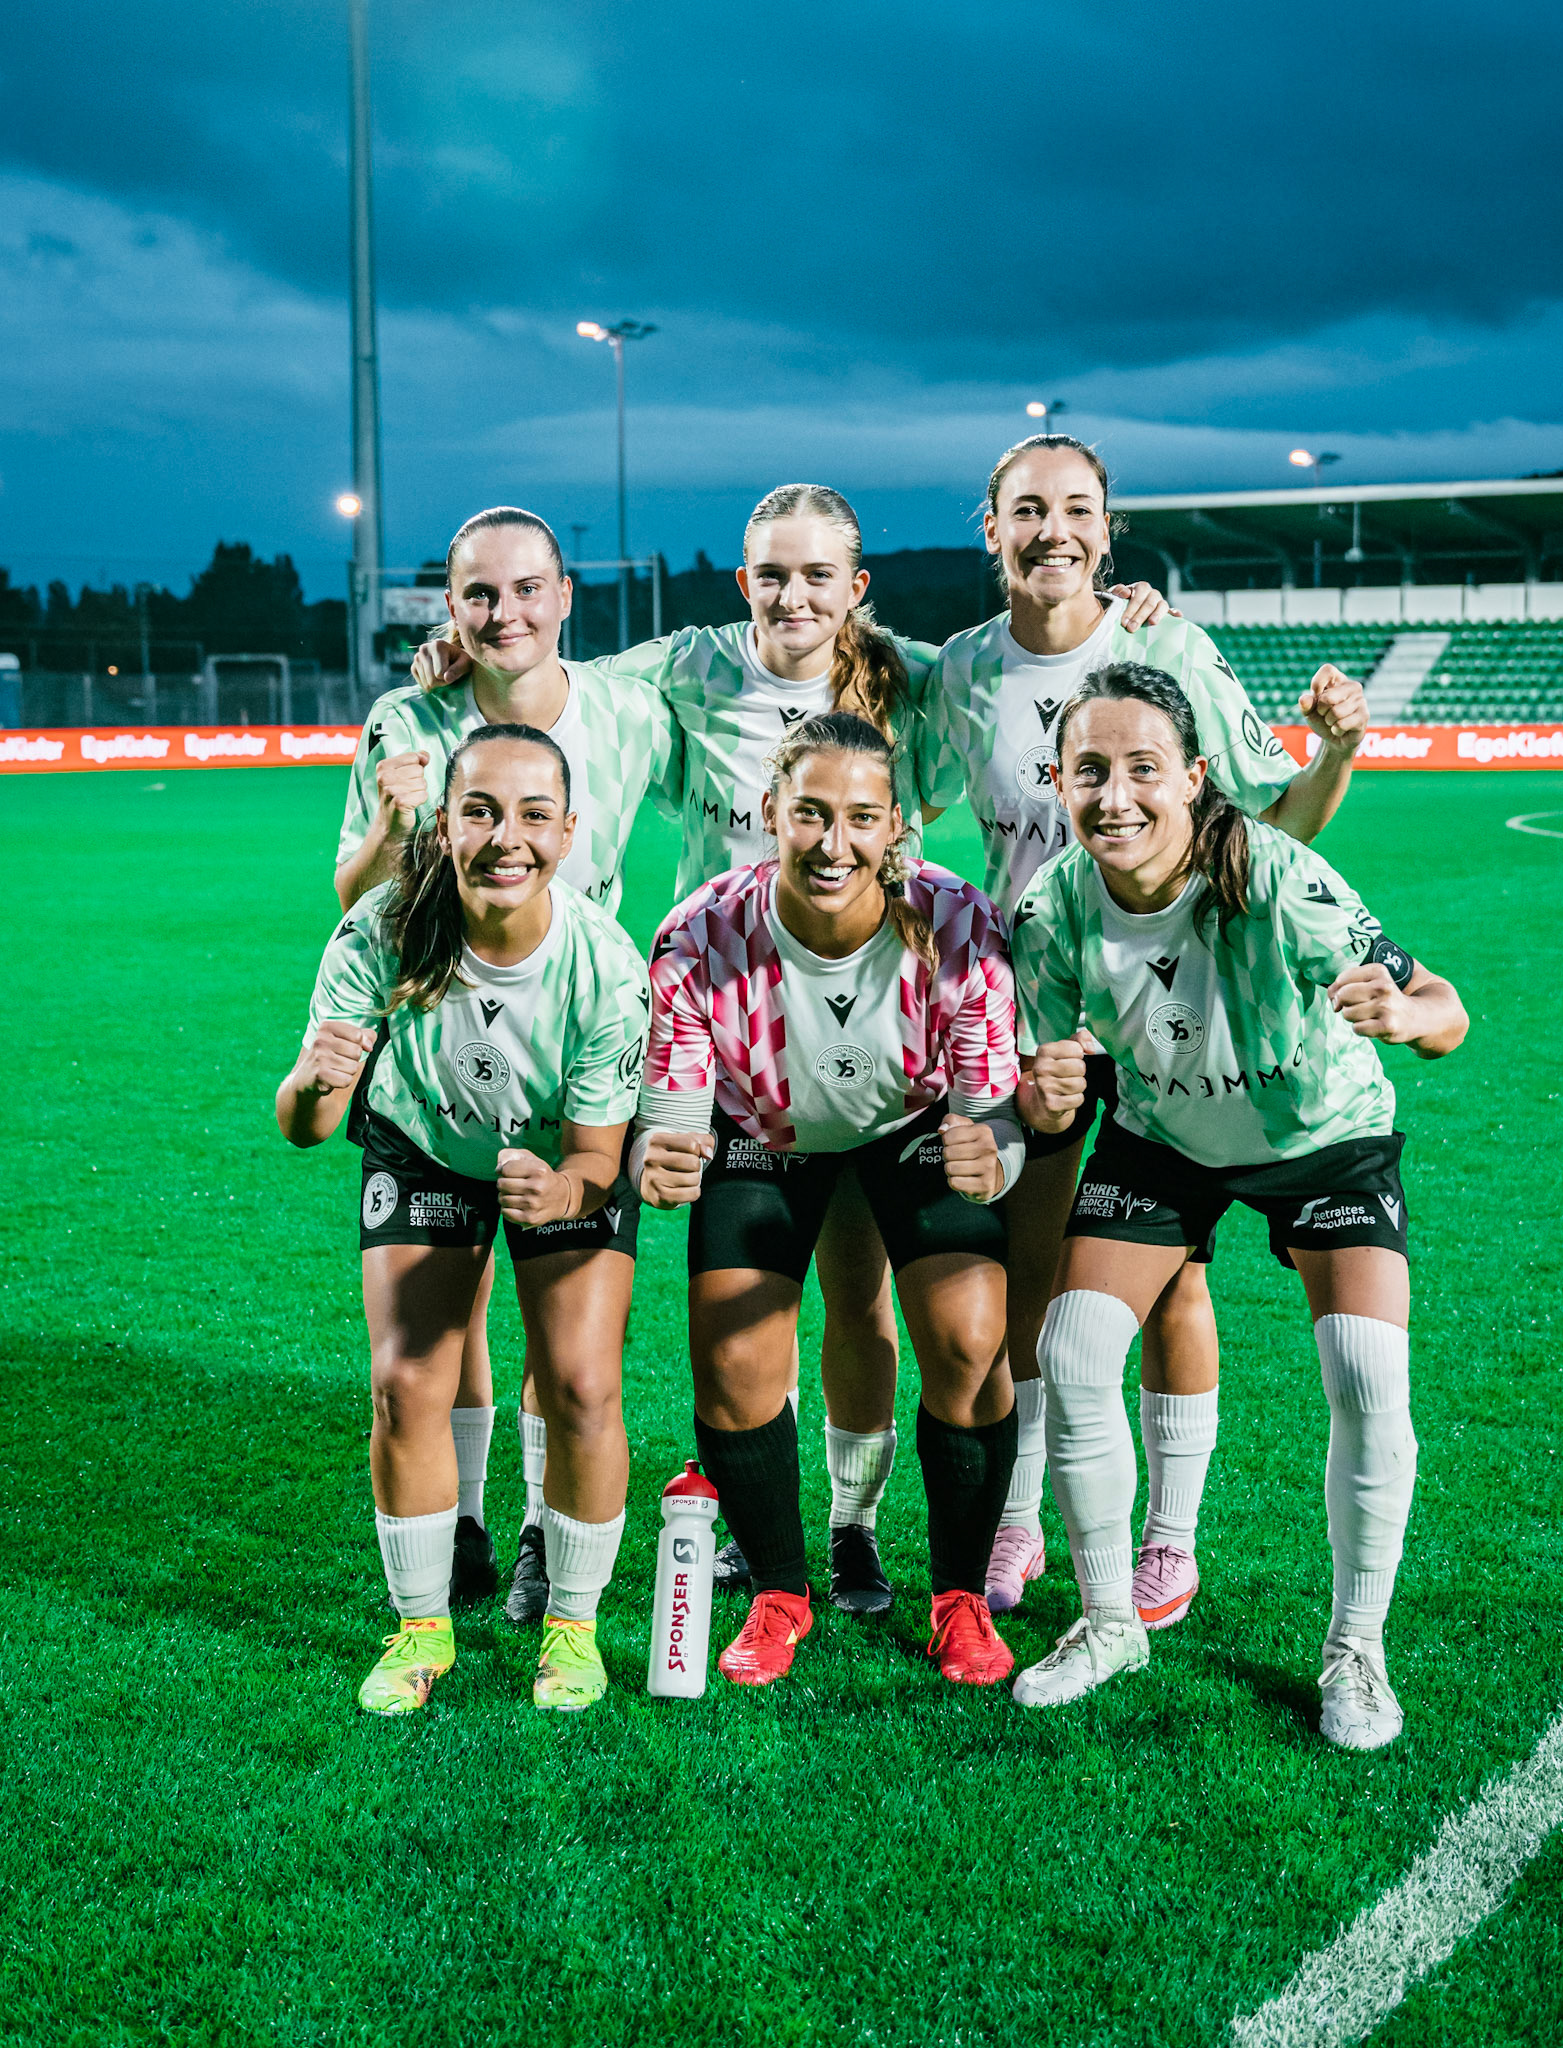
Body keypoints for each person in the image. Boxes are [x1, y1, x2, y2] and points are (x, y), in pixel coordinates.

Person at [413, 483, 1172, 1614]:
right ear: (744, 581)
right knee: (727, 1320)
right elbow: (549, 671)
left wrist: (1123, 619)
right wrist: (475, 642)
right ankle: (642, 1538)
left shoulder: (916, 676)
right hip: (729, 1037)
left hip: (879, 1025)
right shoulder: (687, 669)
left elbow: (1022, 655)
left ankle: (852, 1530)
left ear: (856, 589)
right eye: (774, 571)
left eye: (820, 573)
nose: (795, 594)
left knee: (866, 1302)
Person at [923, 434, 1370, 1624]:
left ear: (1109, 531)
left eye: (1077, 509)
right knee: (1036, 1266)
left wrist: (1336, 752)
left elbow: (1276, 820)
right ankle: (1021, 1515)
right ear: (991, 528)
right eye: (1028, 509)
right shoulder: (960, 670)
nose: (1053, 529)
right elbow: (889, 793)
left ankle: (1168, 1537)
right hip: (1041, 996)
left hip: (1169, 1005)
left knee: (1168, 1279)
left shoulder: (1165, 644)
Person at [1008, 664, 1466, 1747]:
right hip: (1166, 1134)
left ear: (1197, 777)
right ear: (1058, 783)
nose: (1114, 796)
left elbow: (1449, 1011)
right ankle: (1111, 1619)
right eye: (1089, 772)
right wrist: (1044, 1088)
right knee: (1073, 1347)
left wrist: (1403, 1012)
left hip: (1323, 1138)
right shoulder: (1049, 906)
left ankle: (1357, 1644)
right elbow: (1039, 1080)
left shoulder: (1277, 878)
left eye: (1142, 770)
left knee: (1366, 1368)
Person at [337, 507, 678, 1627]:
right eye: (480, 595)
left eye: (527, 590)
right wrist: (398, 823)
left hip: (576, 1029)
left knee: (566, 1337)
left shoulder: (631, 706)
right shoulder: (409, 717)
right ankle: (467, 1520)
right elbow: (360, 895)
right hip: (446, 1033)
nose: (505, 613)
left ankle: (544, 1531)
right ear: (449, 605)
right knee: (453, 1313)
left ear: (566, 596)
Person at [633, 712, 1024, 1688]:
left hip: (910, 1126)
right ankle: (779, 1590)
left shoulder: (959, 923)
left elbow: (994, 1116)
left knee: (973, 1340)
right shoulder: (698, 932)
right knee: (729, 1350)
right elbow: (675, 1113)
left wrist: (996, 1154)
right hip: (765, 1136)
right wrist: (665, 1154)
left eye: (861, 818)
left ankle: (960, 1597)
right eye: (809, 813)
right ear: (771, 812)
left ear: (897, 827)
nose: (832, 842)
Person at [278, 723, 651, 1715]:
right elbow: (304, 1125)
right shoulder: (381, 929)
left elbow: (598, 1158)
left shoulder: (605, 965)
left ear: (571, 833)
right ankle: (419, 1628)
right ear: (443, 823)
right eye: (479, 810)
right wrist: (316, 1082)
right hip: (425, 1147)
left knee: (578, 1381)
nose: (505, 836)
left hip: (559, 1158)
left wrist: (564, 1192)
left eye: (534, 814)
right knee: (405, 1382)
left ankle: (573, 1628)